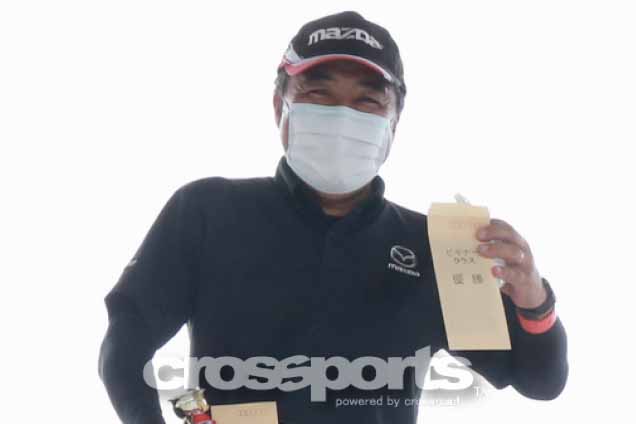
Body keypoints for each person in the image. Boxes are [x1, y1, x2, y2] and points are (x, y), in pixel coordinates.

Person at [98, 10, 568, 424]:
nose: (343, 117)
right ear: (280, 105)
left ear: (393, 122)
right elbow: (126, 344)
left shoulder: (437, 247)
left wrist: (534, 301)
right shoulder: (207, 212)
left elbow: (540, 381)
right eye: (319, 94)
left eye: (367, 101)